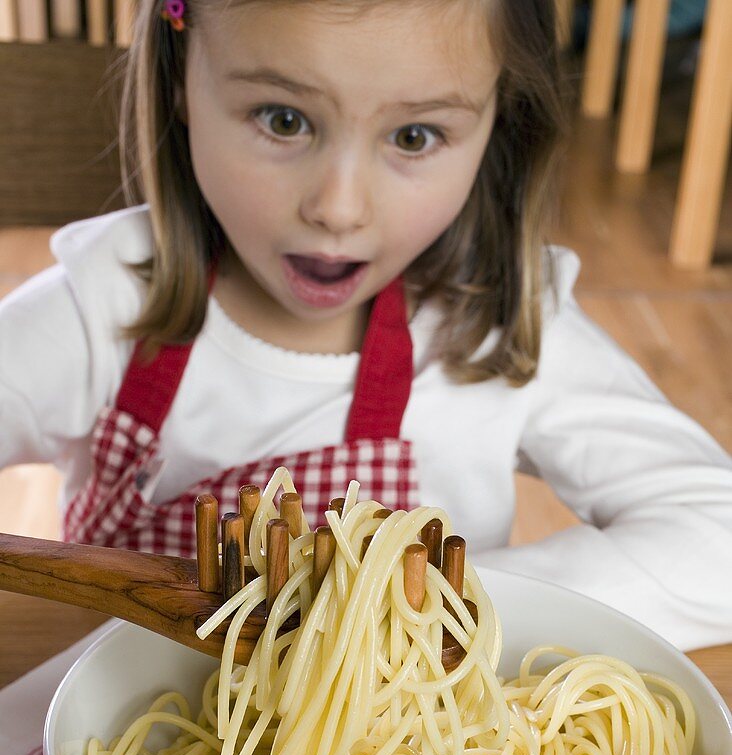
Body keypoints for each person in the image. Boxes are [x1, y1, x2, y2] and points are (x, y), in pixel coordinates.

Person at [0, 0, 730, 652]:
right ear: (181, 77)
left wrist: (405, 598)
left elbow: (717, 538)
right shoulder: (104, 303)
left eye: (414, 136)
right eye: (283, 120)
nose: (339, 208)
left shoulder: (495, 324)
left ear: (499, 118)